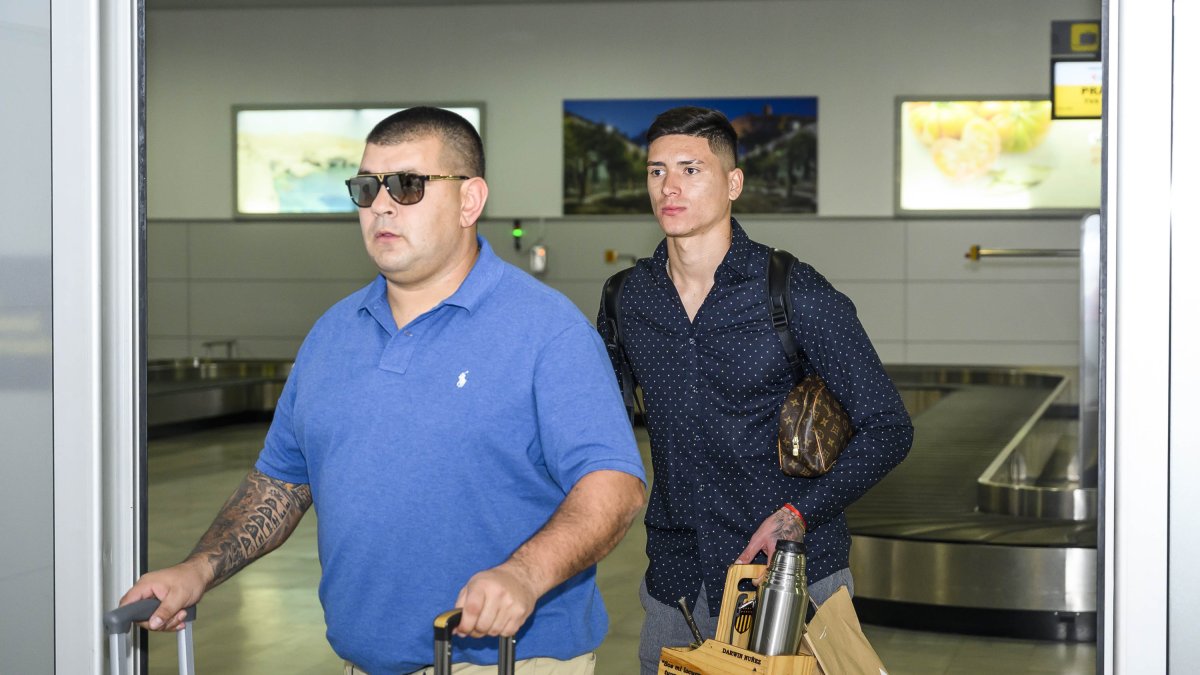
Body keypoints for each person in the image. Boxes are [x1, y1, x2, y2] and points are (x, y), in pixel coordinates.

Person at [122, 107, 647, 675]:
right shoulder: (333, 334)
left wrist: (524, 573)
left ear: (470, 201)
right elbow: (282, 479)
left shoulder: (547, 332)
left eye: (408, 185)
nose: (382, 205)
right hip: (364, 662)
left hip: (509, 661)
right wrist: (198, 568)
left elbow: (614, 488)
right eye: (367, 187)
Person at [595, 106, 913, 674]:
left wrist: (798, 512)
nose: (669, 186)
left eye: (691, 170)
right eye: (656, 171)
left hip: (791, 576)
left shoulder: (790, 290)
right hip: (679, 581)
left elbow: (889, 427)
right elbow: (597, 427)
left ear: (732, 183)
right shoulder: (629, 299)